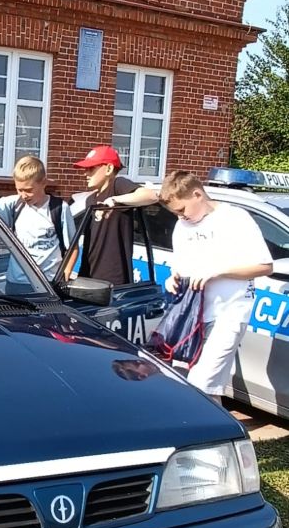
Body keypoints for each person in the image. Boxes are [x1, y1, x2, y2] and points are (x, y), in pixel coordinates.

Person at [159, 169, 272, 402]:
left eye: (182, 209)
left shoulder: (235, 218)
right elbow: (179, 266)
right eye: (175, 213)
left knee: (201, 383)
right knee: (205, 388)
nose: (180, 216)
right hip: (193, 317)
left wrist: (218, 271)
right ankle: (216, 425)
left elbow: (264, 266)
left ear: (197, 195)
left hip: (230, 312)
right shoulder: (182, 227)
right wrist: (173, 278)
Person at [71, 145, 159, 286]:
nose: (86, 173)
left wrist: (115, 200)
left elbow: (151, 196)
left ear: (109, 169)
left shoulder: (118, 185)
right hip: (88, 273)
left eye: (91, 168)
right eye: (85, 169)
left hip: (113, 278)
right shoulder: (90, 200)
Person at [0, 155, 76, 287]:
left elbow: (72, 247)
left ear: (43, 183)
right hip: (17, 283)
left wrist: (65, 275)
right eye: (19, 190)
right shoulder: (14, 204)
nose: (24, 195)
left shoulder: (59, 208)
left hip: (48, 283)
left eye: (29, 190)